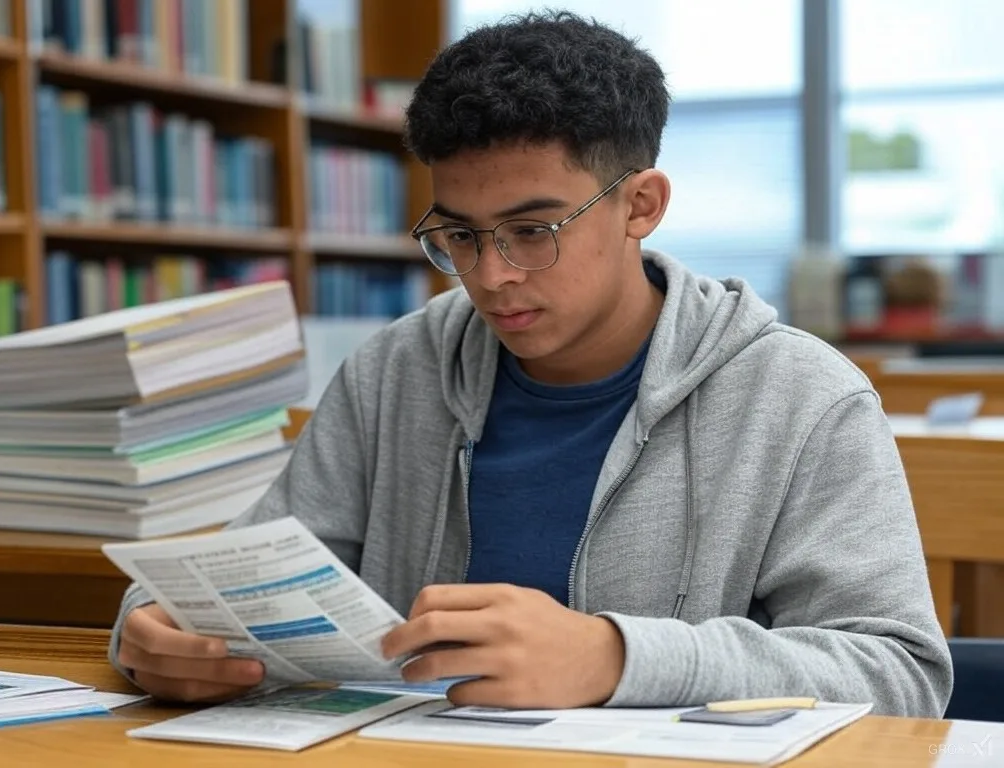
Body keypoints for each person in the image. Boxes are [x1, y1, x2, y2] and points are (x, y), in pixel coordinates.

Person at [110, 11, 952, 716]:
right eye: (459, 235)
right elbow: (246, 574)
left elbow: (901, 674)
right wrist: (153, 629)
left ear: (641, 205)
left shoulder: (802, 397)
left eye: (531, 231)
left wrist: (616, 658)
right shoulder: (396, 370)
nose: (491, 275)